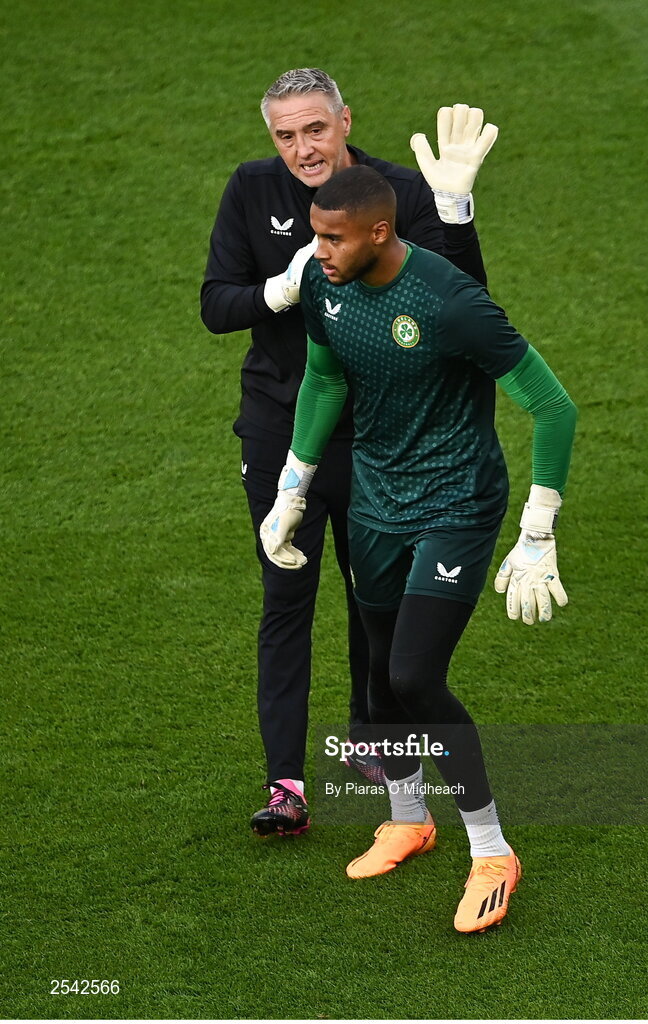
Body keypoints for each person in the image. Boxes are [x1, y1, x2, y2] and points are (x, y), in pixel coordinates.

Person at [260, 165, 577, 932]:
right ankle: (407, 818)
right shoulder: (324, 283)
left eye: (332, 238)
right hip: (376, 497)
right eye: (313, 233)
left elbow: (551, 405)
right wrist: (293, 486)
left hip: (455, 500)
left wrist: (538, 531)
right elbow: (325, 380)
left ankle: (492, 849)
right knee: (376, 672)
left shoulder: (447, 302)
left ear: (380, 232)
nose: (317, 250)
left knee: (413, 674)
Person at [200, 67, 499, 837]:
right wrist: (278, 291)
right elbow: (215, 304)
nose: (302, 148)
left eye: (315, 129)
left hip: (377, 441)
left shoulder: (394, 192)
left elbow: (466, 300)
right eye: (285, 135)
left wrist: (456, 209)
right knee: (285, 599)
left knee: (376, 612)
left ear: (344, 121)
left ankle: (374, 747)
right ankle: (286, 785)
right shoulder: (251, 189)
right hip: (279, 433)